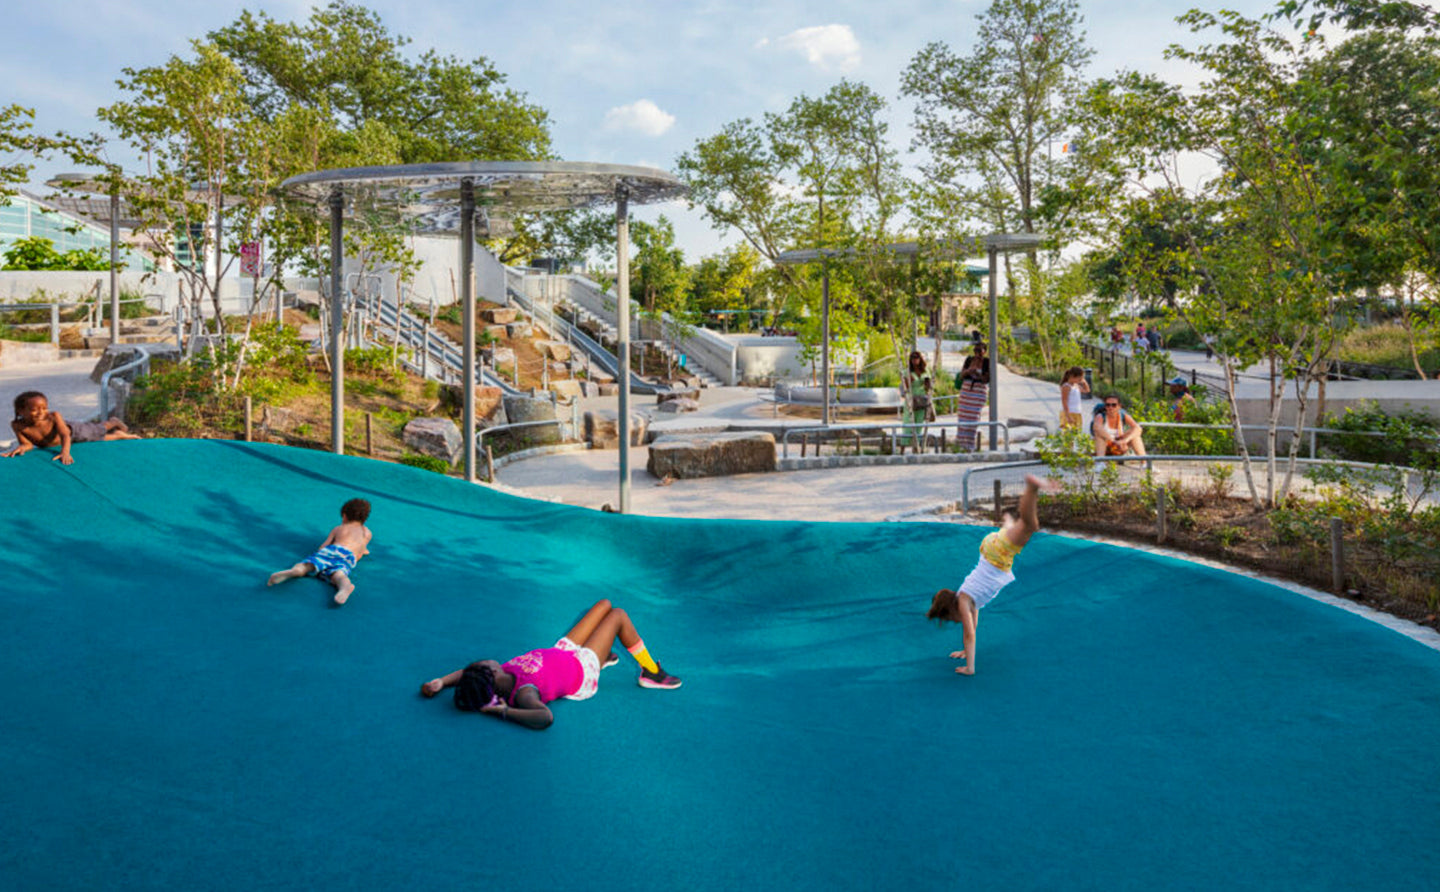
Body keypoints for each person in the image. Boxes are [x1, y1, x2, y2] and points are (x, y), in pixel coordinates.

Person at [419, 599, 681, 730]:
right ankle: (651, 672)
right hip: (580, 670)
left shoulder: (502, 672)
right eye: (484, 664)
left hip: (563, 652)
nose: (485, 660)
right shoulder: (524, 692)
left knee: (604, 604)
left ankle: (602, 654)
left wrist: (442, 682)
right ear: (491, 674)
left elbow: (467, 674)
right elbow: (545, 717)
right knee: (618, 616)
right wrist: (499, 712)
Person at [927, 474, 1060, 676]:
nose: (956, 622)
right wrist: (965, 651)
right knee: (1023, 527)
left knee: (1030, 526)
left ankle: (1031, 487)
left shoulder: (963, 600)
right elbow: (974, 625)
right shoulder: (971, 599)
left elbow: (969, 634)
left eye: (952, 619)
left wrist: (970, 667)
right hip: (992, 551)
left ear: (951, 609)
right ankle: (1008, 521)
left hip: (997, 554)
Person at [267, 498, 373, 605]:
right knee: (339, 575)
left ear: (344, 516)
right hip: (348, 557)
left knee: (308, 565)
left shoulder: (339, 528)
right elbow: (361, 552)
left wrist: (322, 552)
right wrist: (362, 552)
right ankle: (345, 587)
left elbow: (324, 546)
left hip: (332, 550)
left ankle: (296, 571)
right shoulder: (367, 533)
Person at [3, 390, 138, 465]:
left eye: (44, 408)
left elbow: (65, 434)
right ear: (20, 411)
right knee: (96, 439)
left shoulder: (54, 416)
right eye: (34, 410)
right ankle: (119, 435)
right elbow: (27, 444)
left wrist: (65, 452)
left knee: (97, 431)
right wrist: (21, 448)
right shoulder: (17, 425)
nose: (41, 413)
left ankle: (113, 422)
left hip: (73, 431)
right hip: (63, 440)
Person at [954, 341, 991, 450]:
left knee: (973, 418)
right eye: (975, 350)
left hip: (978, 392)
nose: (977, 353)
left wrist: (978, 374)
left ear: (984, 351)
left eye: (979, 350)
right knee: (962, 417)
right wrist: (969, 371)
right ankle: (960, 445)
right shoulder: (969, 360)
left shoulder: (987, 362)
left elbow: (987, 379)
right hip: (966, 390)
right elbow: (961, 375)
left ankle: (970, 445)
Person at [901, 350, 934, 449]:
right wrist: (909, 380)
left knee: (919, 423)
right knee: (908, 423)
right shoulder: (907, 372)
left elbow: (928, 386)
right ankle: (903, 447)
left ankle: (917, 447)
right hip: (911, 399)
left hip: (922, 400)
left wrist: (928, 383)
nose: (915, 360)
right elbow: (905, 387)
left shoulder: (925, 370)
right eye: (912, 358)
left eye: (917, 357)